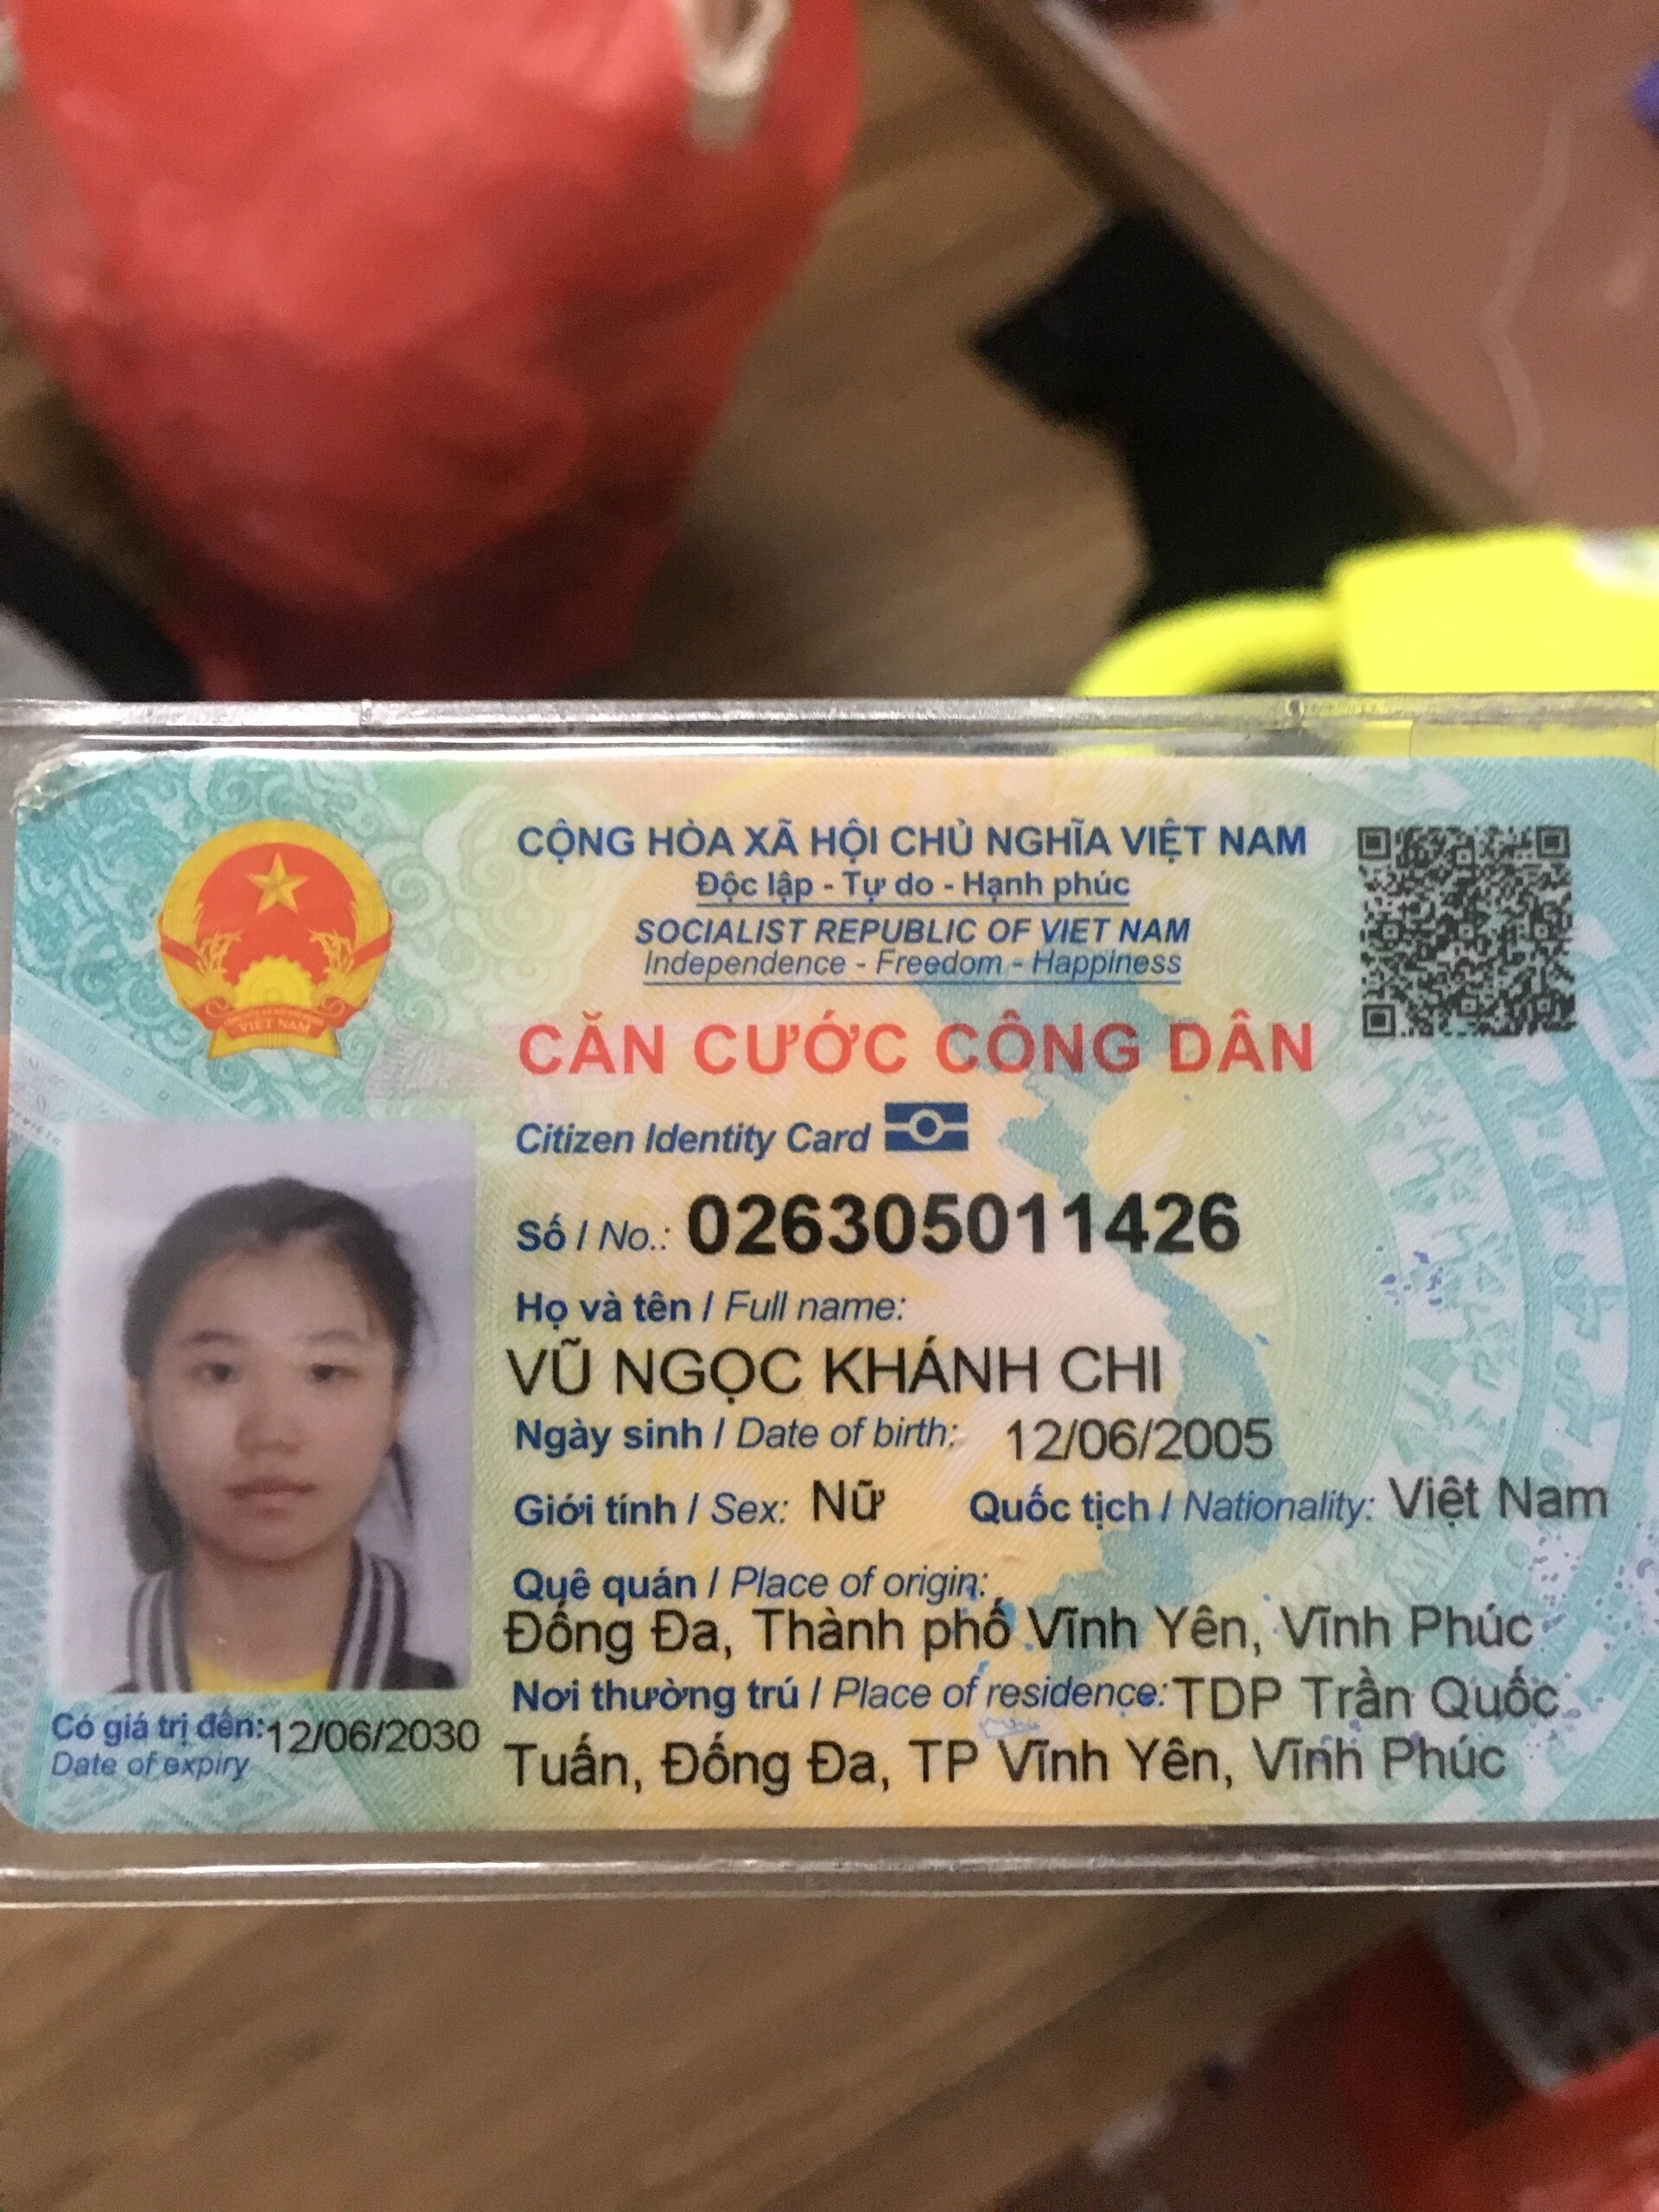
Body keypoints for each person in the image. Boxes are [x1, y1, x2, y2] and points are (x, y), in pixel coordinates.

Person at [117, 1175, 455, 1691]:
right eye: (220, 1373)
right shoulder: (69, 1695)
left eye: (325, 1372)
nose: (271, 1433)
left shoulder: (451, 1700)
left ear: (395, 1403)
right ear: (141, 1409)